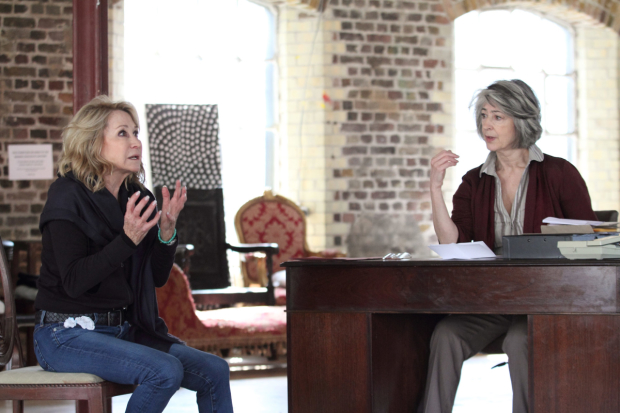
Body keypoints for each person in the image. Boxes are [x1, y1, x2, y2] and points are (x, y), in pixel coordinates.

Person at [33, 96, 234, 413]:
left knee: (215, 370)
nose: (136, 141)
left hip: (122, 329)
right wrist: (127, 239)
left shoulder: (137, 196)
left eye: (136, 132)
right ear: (93, 142)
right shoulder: (67, 195)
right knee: (164, 371)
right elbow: (74, 282)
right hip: (63, 334)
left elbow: (155, 276)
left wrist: (166, 232)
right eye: (122, 133)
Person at [420, 79, 597, 413]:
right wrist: (435, 187)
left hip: (544, 302)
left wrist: (558, 236)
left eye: (498, 116)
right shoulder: (474, 180)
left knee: (520, 341)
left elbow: (589, 239)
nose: (487, 124)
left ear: (522, 119)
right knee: (446, 334)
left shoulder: (559, 173)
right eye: (484, 115)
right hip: (491, 300)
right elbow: (450, 241)